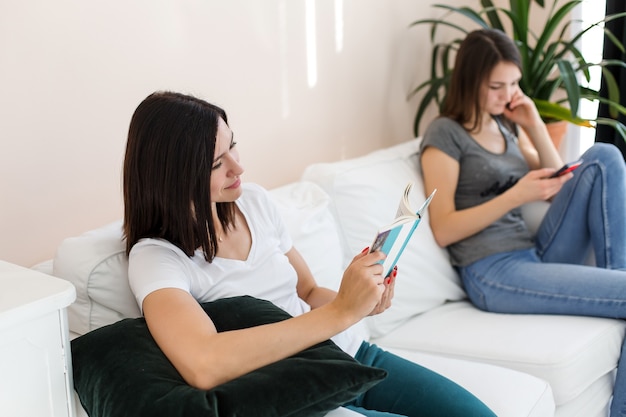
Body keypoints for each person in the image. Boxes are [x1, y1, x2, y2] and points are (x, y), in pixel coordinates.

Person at [121, 91, 497, 417]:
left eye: (232, 145)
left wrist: (361, 302)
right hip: (293, 389)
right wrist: (342, 311)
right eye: (217, 163)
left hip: (351, 355)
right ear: (175, 176)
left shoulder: (253, 202)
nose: (239, 167)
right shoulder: (157, 259)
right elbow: (204, 363)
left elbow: (310, 292)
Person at [419, 28, 626, 417]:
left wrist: (531, 122)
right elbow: (443, 227)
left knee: (604, 156)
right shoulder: (444, 133)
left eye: (514, 83)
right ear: (470, 81)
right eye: (497, 85)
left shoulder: (505, 124)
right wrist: (514, 196)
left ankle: (617, 283)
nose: (508, 94)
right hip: (492, 270)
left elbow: (559, 178)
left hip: (532, 252)